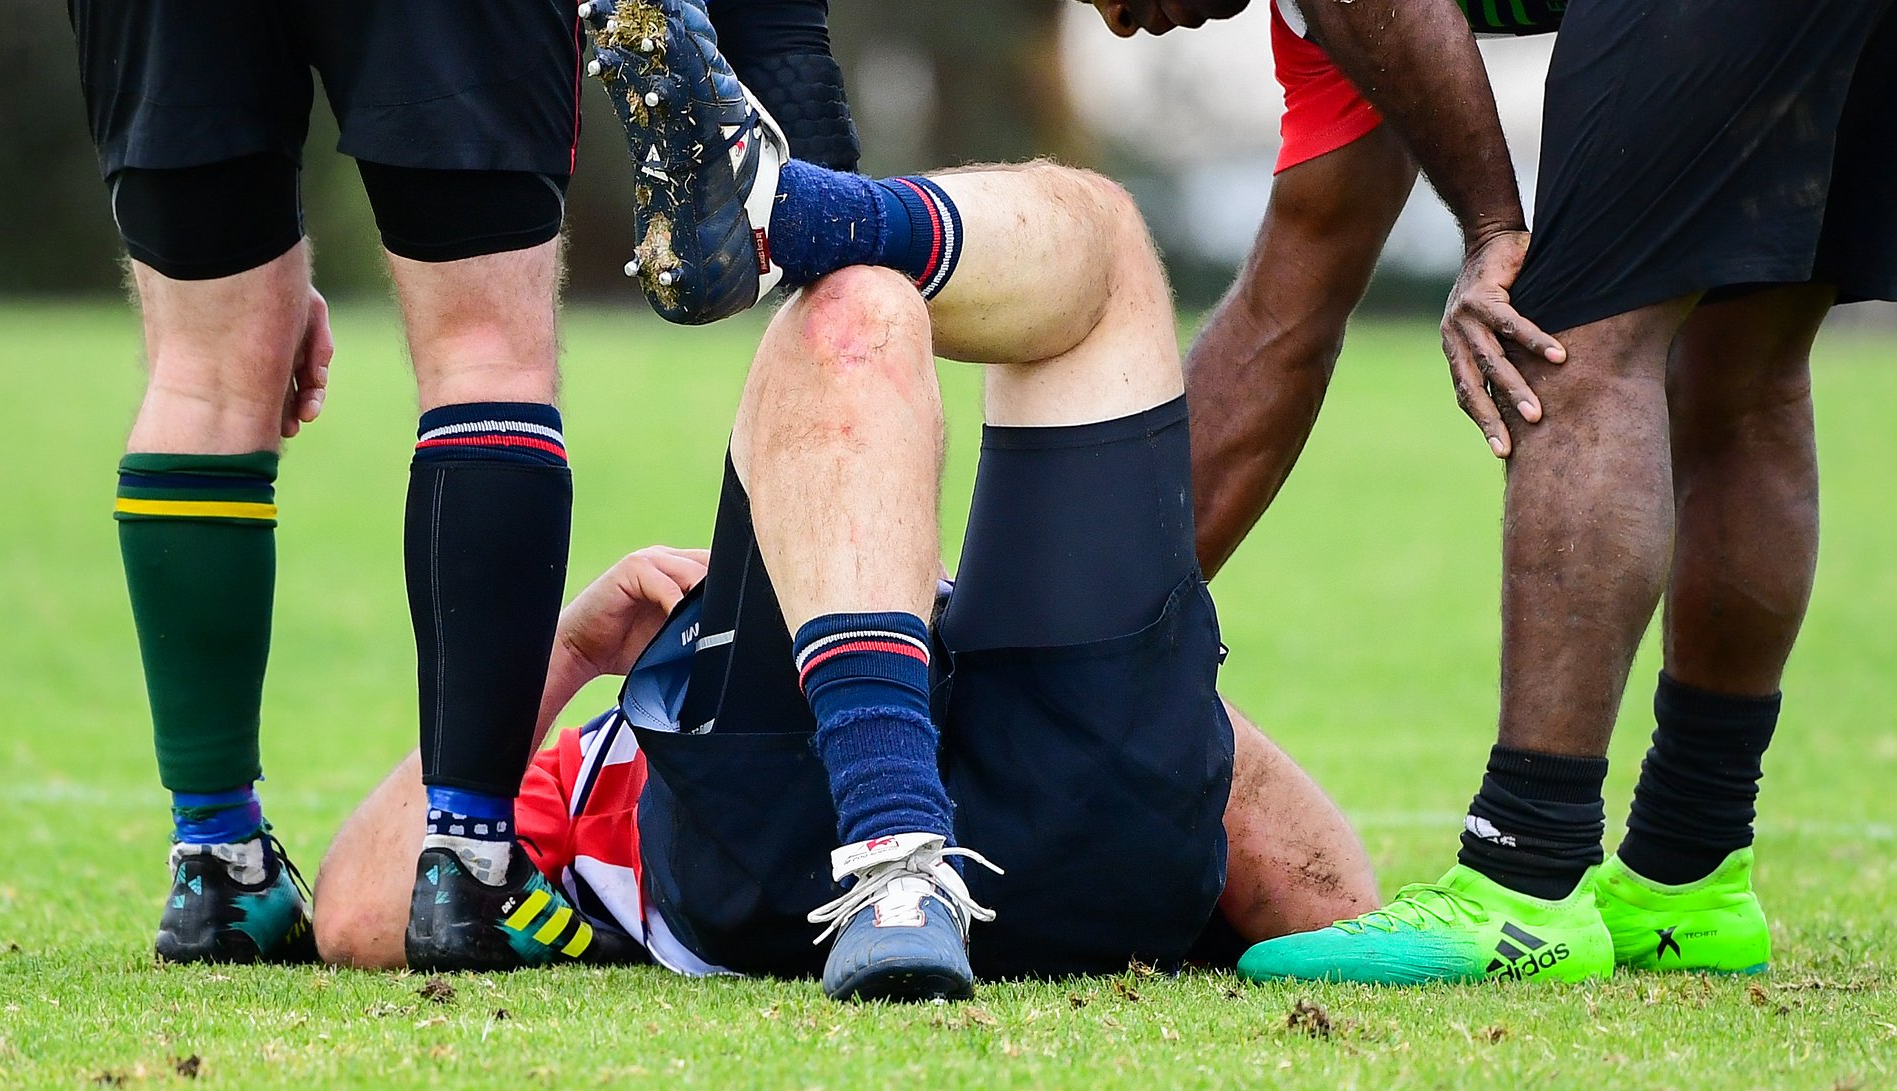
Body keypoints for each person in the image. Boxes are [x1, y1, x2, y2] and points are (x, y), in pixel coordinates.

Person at [955, 0, 1897, 984]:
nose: (1118, 18)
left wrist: (1496, 228)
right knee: (1737, 374)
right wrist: (1076, 624)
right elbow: (1284, 315)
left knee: (1566, 341)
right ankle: (1689, 876)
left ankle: (1525, 878)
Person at [65, 0, 861, 970]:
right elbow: (777, 17)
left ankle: (214, 857)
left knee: (201, 367)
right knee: (485, 350)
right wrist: (849, 281)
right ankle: (469, 857)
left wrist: (276, 276)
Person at [311, 148, 1377, 994]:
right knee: (875, 298)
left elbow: (1329, 905)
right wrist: (574, 651)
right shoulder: (597, 753)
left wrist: (966, 623)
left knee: (1080, 236)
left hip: (983, 846)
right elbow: (365, 910)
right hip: (819, 862)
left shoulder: (623, 734)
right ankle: (890, 839)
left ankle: (802, 215)